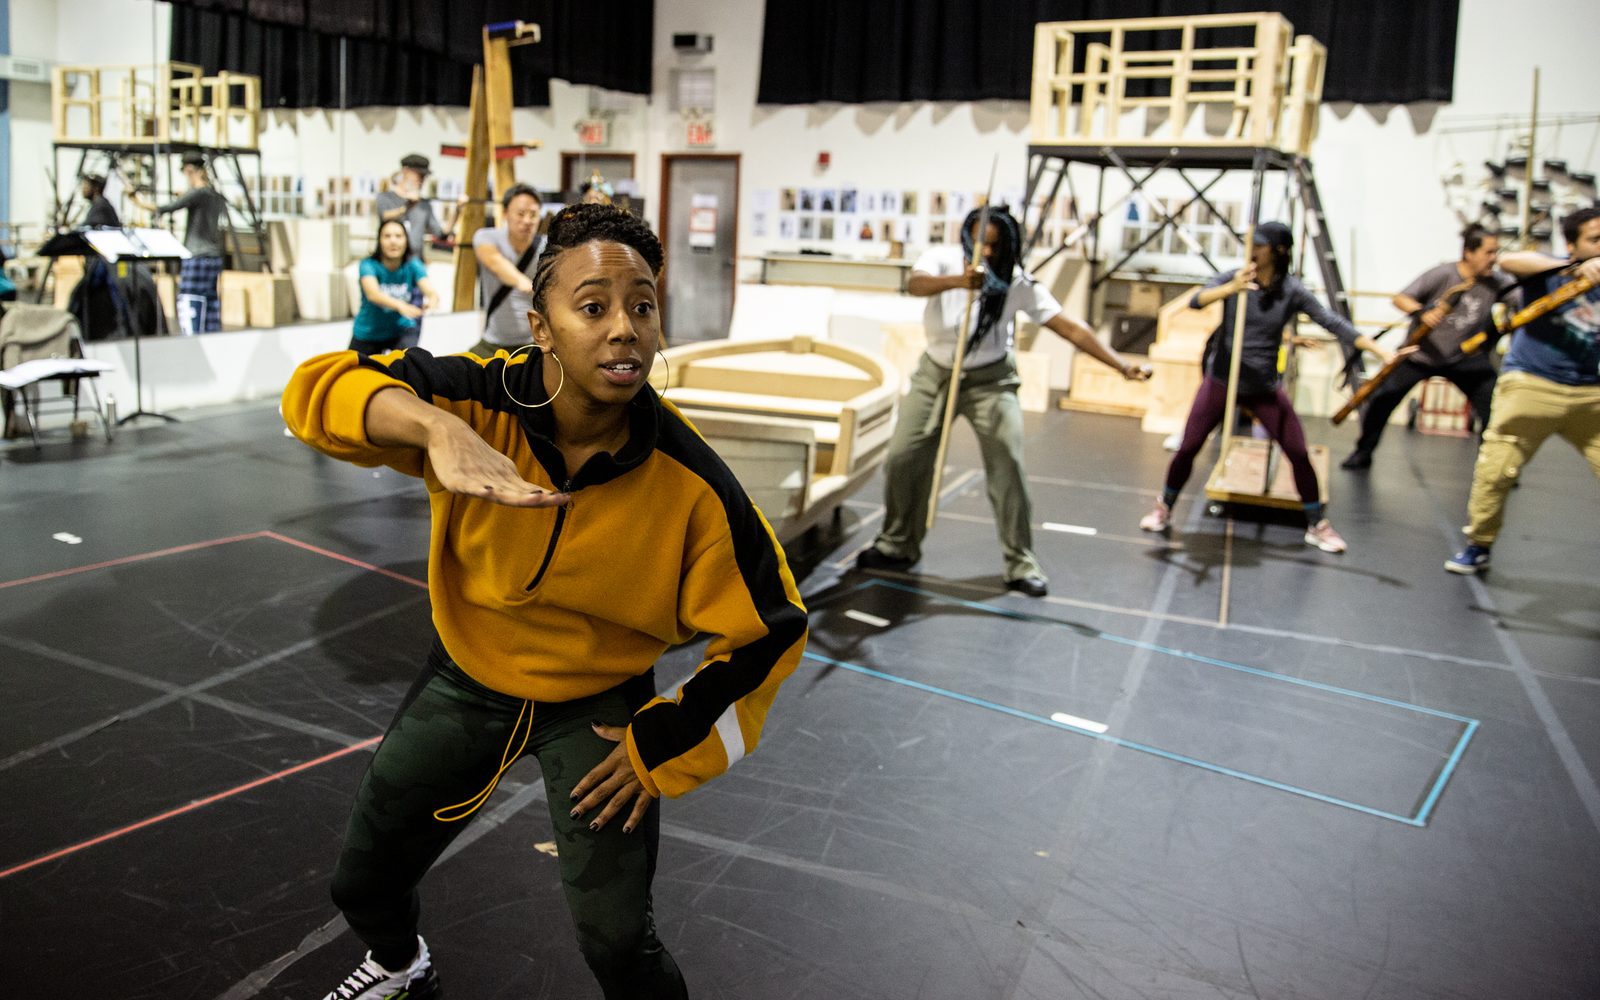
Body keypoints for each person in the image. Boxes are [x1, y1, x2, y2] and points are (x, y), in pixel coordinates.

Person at [282, 203, 807, 1000]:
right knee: (361, 883)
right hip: (468, 676)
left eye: (642, 305)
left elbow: (773, 629)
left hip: (597, 708)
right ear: (542, 325)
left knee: (619, 943)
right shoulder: (477, 397)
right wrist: (433, 429)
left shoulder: (693, 483)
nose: (624, 328)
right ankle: (399, 964)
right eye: (592, 306)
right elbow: (317, 390)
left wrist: (664, 738)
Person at [856, 205, 1151, 598]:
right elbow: (916, 284)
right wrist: (960, 282)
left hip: (990, 381)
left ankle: (1020, 563)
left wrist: (1120, 365)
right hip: (936, 373)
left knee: (1007, 465)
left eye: (997, 247)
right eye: (982, 245)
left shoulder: (1016, 281)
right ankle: (897, 544)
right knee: (903, 457)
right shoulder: (941, 260)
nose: (989, 254)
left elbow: (1069, 327)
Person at [1138, 222, 1396, 552]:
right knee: (1188, 447)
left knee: (1299, 453)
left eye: (1258, 244)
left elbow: (1332, 322)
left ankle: (1316, 524)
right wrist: (1230, 289)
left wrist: (1381, 352)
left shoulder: (1291, 290)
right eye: (1250, 243)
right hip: (1222, 380)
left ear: (1279, 251)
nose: (1251, 249)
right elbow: (1197, 301)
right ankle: (1165, 507)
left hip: (1263, 386)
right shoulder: (1235, 278)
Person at [1446, 206, 1600, 574]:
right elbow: (1512, 260)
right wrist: (1575, 269)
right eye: (1595, 240)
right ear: (1572, 244)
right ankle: (1479, 544)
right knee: (1496, 471)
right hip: (1532, 385)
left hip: (1592, 395)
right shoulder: (1549, 271)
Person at [1342, 224, 1514, 469]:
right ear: (1469, 252)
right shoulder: (1443, 274)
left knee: (1493, 405)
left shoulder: (1496, 281)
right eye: (1488, 252)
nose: (1494, 259)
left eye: (1496, 252)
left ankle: (1492, 465)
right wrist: (1422, 313)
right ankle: (1362, 452)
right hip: (1420, 355)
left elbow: (1522, 300)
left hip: (1462, 357)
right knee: (1382, 400)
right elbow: (1401, 298)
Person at [150, 152, 229, 332]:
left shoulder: (197, 193)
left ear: (189, 170)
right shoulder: (213, 194)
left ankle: (192, 343)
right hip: (213, 257)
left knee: (189, 302)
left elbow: (166, 208)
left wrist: (137, 202)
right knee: (210, 304)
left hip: (197, 256)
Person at [468, 182, 544, 357]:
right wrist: (524, 283)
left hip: (533, 344)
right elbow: (495, 263)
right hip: (493, 343)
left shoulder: (547, 246)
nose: (527, 221)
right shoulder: (485, 236)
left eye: (533, 215)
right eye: (520, 214)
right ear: (505, 214)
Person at [350, 218, 437, 355]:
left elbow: (429, 290)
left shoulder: (413, 264)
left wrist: (432, 300)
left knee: (408, 366)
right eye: (387, 236)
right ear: (379, 241)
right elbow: (373, 294)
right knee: (354, 373)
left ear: (406, 240)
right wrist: (400, 305)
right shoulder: (368, 265)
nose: (393, 241)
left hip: (400, 330)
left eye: (398, 236)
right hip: (368, 333)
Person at [375, 153, 447, 260]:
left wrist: (458, 211)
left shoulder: (424, 205)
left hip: (415, 262)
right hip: (389, 263)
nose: (422, 181)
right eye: (419, 175)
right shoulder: (385, 198)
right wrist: (407, 207)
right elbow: (385, 216)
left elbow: (440, 233)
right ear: (405, 171)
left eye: (424, 177)